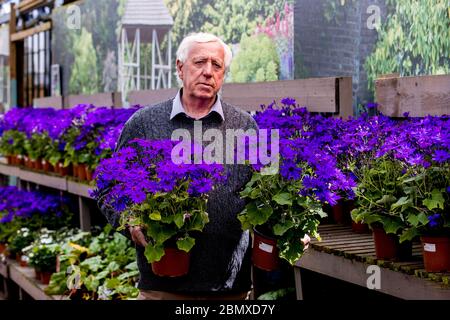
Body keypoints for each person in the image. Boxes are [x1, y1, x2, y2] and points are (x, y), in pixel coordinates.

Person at [98, 32, 309, 300]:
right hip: (161, 287)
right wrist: (129, 220)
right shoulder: (143, 123)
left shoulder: (245, 126)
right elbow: (109, 185)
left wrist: (292, 224)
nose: (208, 72)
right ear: (180, 67)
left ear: (223, 74)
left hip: (229, 289)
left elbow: (270, 187)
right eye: (199, 62)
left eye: (217, 65)